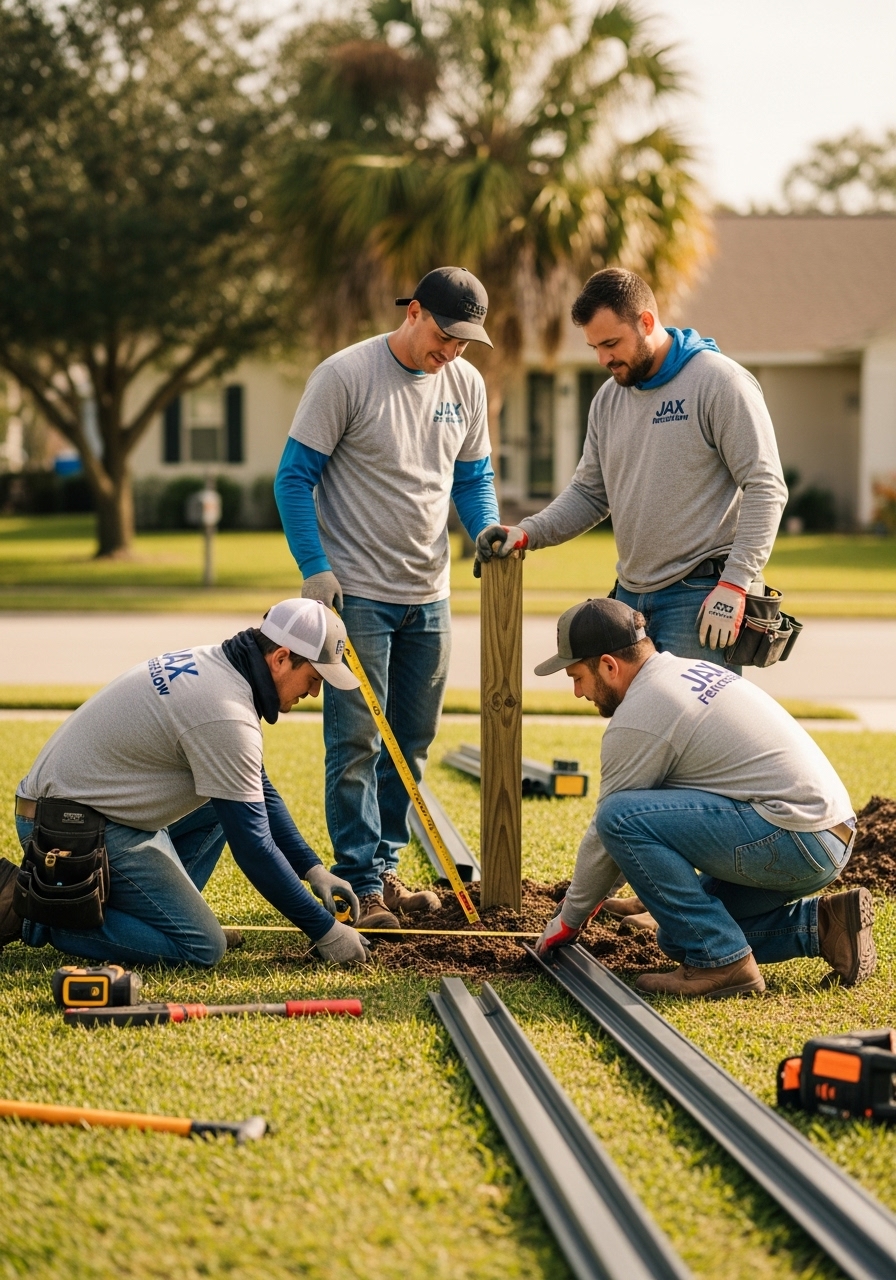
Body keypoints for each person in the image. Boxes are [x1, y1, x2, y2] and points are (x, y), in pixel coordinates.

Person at [274, 267, 499, 930]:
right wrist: (315, 569)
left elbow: (473, 477)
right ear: (415, 312)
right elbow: (293, 478)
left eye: (465, 341)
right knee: (354, 743)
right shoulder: (346, 375)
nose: (452, 350)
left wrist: (485, 531)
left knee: (414, 740)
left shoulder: (466, 384)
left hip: (429, 592)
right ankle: (358, 884)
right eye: (446, 334)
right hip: (357, 594)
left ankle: (387, 870)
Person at [532, 597, 875, 998]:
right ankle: (826, 926)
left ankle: (727, 965)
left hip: (794, 838)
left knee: (616, 817)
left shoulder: (641, 714)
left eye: (577, 677)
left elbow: (611, 833)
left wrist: (570, 919)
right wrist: (626, 893)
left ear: (609, 665)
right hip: (827, 837)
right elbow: (656, 815)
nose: (576, 692)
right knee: (682, 939)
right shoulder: (686, 670)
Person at [0, 600, 371, 968]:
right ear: (280, 658)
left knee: (227, 800)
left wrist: (313, 869)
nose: (313, 693)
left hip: (78, 810)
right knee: (202, 946)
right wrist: (326, 931)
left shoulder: (218, 665)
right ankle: (35, 914)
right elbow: (254, 848)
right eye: (313, 679)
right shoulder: (225, 715)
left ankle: (158, 924)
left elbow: (257, 789)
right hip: (67, 830)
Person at [474, 267, 789, 661]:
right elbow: (590, 494)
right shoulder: (608, 399)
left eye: (611, 343)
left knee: (693, 722)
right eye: (595, 348)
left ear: (646, 321)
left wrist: (736, 584)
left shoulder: (718, 382)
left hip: (700, 599)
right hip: (630, 599)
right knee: (638, 722)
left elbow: (765, 485)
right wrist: (525, 533)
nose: (604, 358)